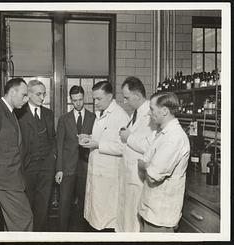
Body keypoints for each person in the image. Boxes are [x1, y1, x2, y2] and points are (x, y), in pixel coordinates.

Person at [0, 77, 33, 231]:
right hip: (6, 178)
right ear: (12, 92)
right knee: (24, 222)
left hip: (12, 177)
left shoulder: (10, 112)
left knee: (15, 223)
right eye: (24, 95)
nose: (27, 99)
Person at [138, 92, 190, 232]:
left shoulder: (174, 138)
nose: (149, 113)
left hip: (161, 215)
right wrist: (147, 165)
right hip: (151, 210)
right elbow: (146, 160)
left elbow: (153, 175)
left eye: (152, 109)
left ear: (165, 111)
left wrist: (145, 165)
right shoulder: (162, 133)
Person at [81, 81, 129, 230]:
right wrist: (89, 137)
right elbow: (104, 137)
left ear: (110, 96)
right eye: (94, 99)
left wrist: (97, 145)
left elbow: (123, 147)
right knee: (97, 216)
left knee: (107, 218)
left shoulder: (120, 116)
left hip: (109, 175)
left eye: (99, 99)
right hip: (98, 171)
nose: (95, 102)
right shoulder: (101, 113)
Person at [16, 79, 57, 231]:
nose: (42, 97)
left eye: (44, 94)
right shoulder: (19, 113)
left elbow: (53, 138)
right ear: (29, 94)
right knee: (27, 205)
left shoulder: (48, 113)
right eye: (39, 94)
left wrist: (52, 158)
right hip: (27, 167)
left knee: (43, 206)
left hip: (46, 168)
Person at [116, 76, 156, 232]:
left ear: (138, 96)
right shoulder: (136, 113)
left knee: (134, 219)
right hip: (129, 172)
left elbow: (150, 145)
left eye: (126, 98)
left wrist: (129, 137)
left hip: (138, 175)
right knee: (127, 215)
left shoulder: (150, 115)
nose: (125, 102)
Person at [55, 85, 96, 231]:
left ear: (83, 98)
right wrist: (59, 169)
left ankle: (82, 234)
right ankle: (62, 235)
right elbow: (59, 145)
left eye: (80, 99)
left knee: (85, 204)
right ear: (70, 100)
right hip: (68, 168)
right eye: (74, 100)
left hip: (86, 166)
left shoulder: (93, 118)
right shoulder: (64, 119)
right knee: (65, 203)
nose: (78, 103)